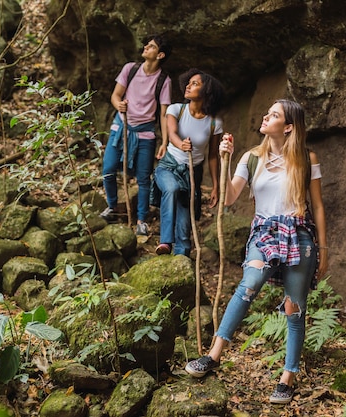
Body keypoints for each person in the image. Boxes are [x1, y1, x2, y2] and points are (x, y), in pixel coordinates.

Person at [184, 99, 329, 405]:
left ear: (288, 127)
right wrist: (225, 159)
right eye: (268, 112)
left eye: (274, 115)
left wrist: (324, 249)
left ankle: (288, 377)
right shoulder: (252, 157)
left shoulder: (306, 158)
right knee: (248, 285)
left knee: (294, 307)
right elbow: (228, 198)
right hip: (264, 232)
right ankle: (213, 354)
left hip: (299, 234)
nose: (266, 116)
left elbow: (317, 205)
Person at [100, 34, 173, 236]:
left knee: (143, 178)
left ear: (160, 55)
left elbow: (163, 113)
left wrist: (165, 141)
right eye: (146, 45)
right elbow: (115, 95)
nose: (145, 47)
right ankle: (112, 206)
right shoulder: (130, 69)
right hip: (121, 127)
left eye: (151, 46)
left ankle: (142, 219)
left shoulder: (163, 81)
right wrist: (119, 104)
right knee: (108, 169)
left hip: (145, 133)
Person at [153, 68, 224, 256]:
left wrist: (216, 186)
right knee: (171, 188)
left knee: (185, 224)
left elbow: (213, 156)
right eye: (189, 82)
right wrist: (180, 144)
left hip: (192, 174)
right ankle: (166, 242)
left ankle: (182, 259)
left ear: (206, 91)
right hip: (168, 166)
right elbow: (172, 134)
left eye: (195, 84)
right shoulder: (176, 109)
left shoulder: (214, 123)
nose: (188, 86)